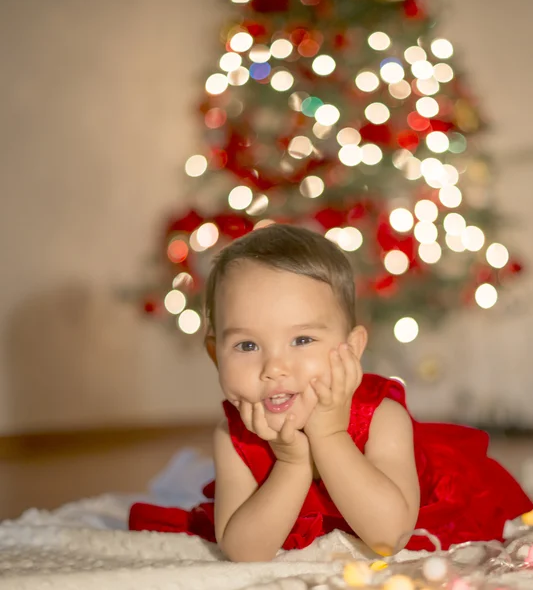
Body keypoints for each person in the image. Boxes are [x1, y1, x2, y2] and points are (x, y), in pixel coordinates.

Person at [129, 223, 533, 562]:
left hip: (419, 505)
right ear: (215, 354)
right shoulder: (234, 436)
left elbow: (388, 538)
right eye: (247, 346)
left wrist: (329, 436)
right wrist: (291, 464)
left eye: (302, 340)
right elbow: (243, 552)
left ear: (352, 349)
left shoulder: (381, 418)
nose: (274, 368)